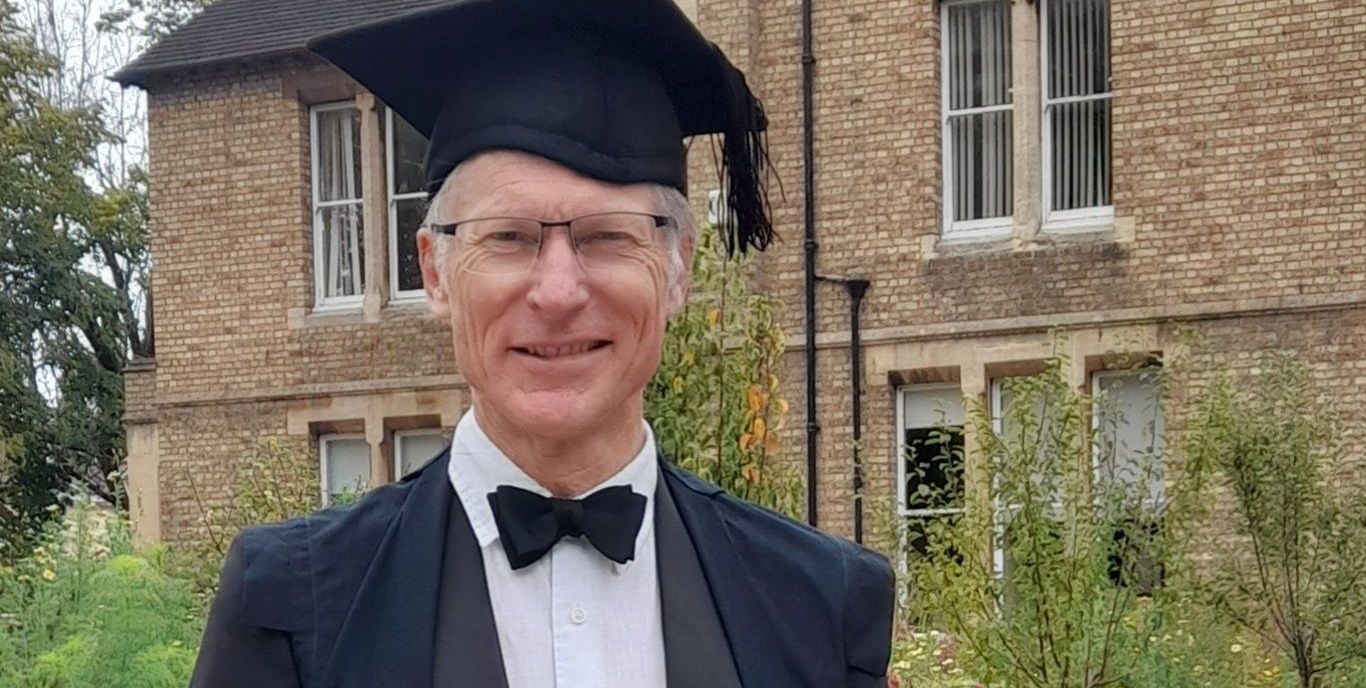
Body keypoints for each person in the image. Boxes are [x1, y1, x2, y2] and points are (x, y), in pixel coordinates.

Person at [190, 0, 895, 686]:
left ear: (676, 268)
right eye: (508, 238)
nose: (557, 292)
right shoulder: (293, 605)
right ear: (435, 272)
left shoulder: (816, 605)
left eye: (607, 236)